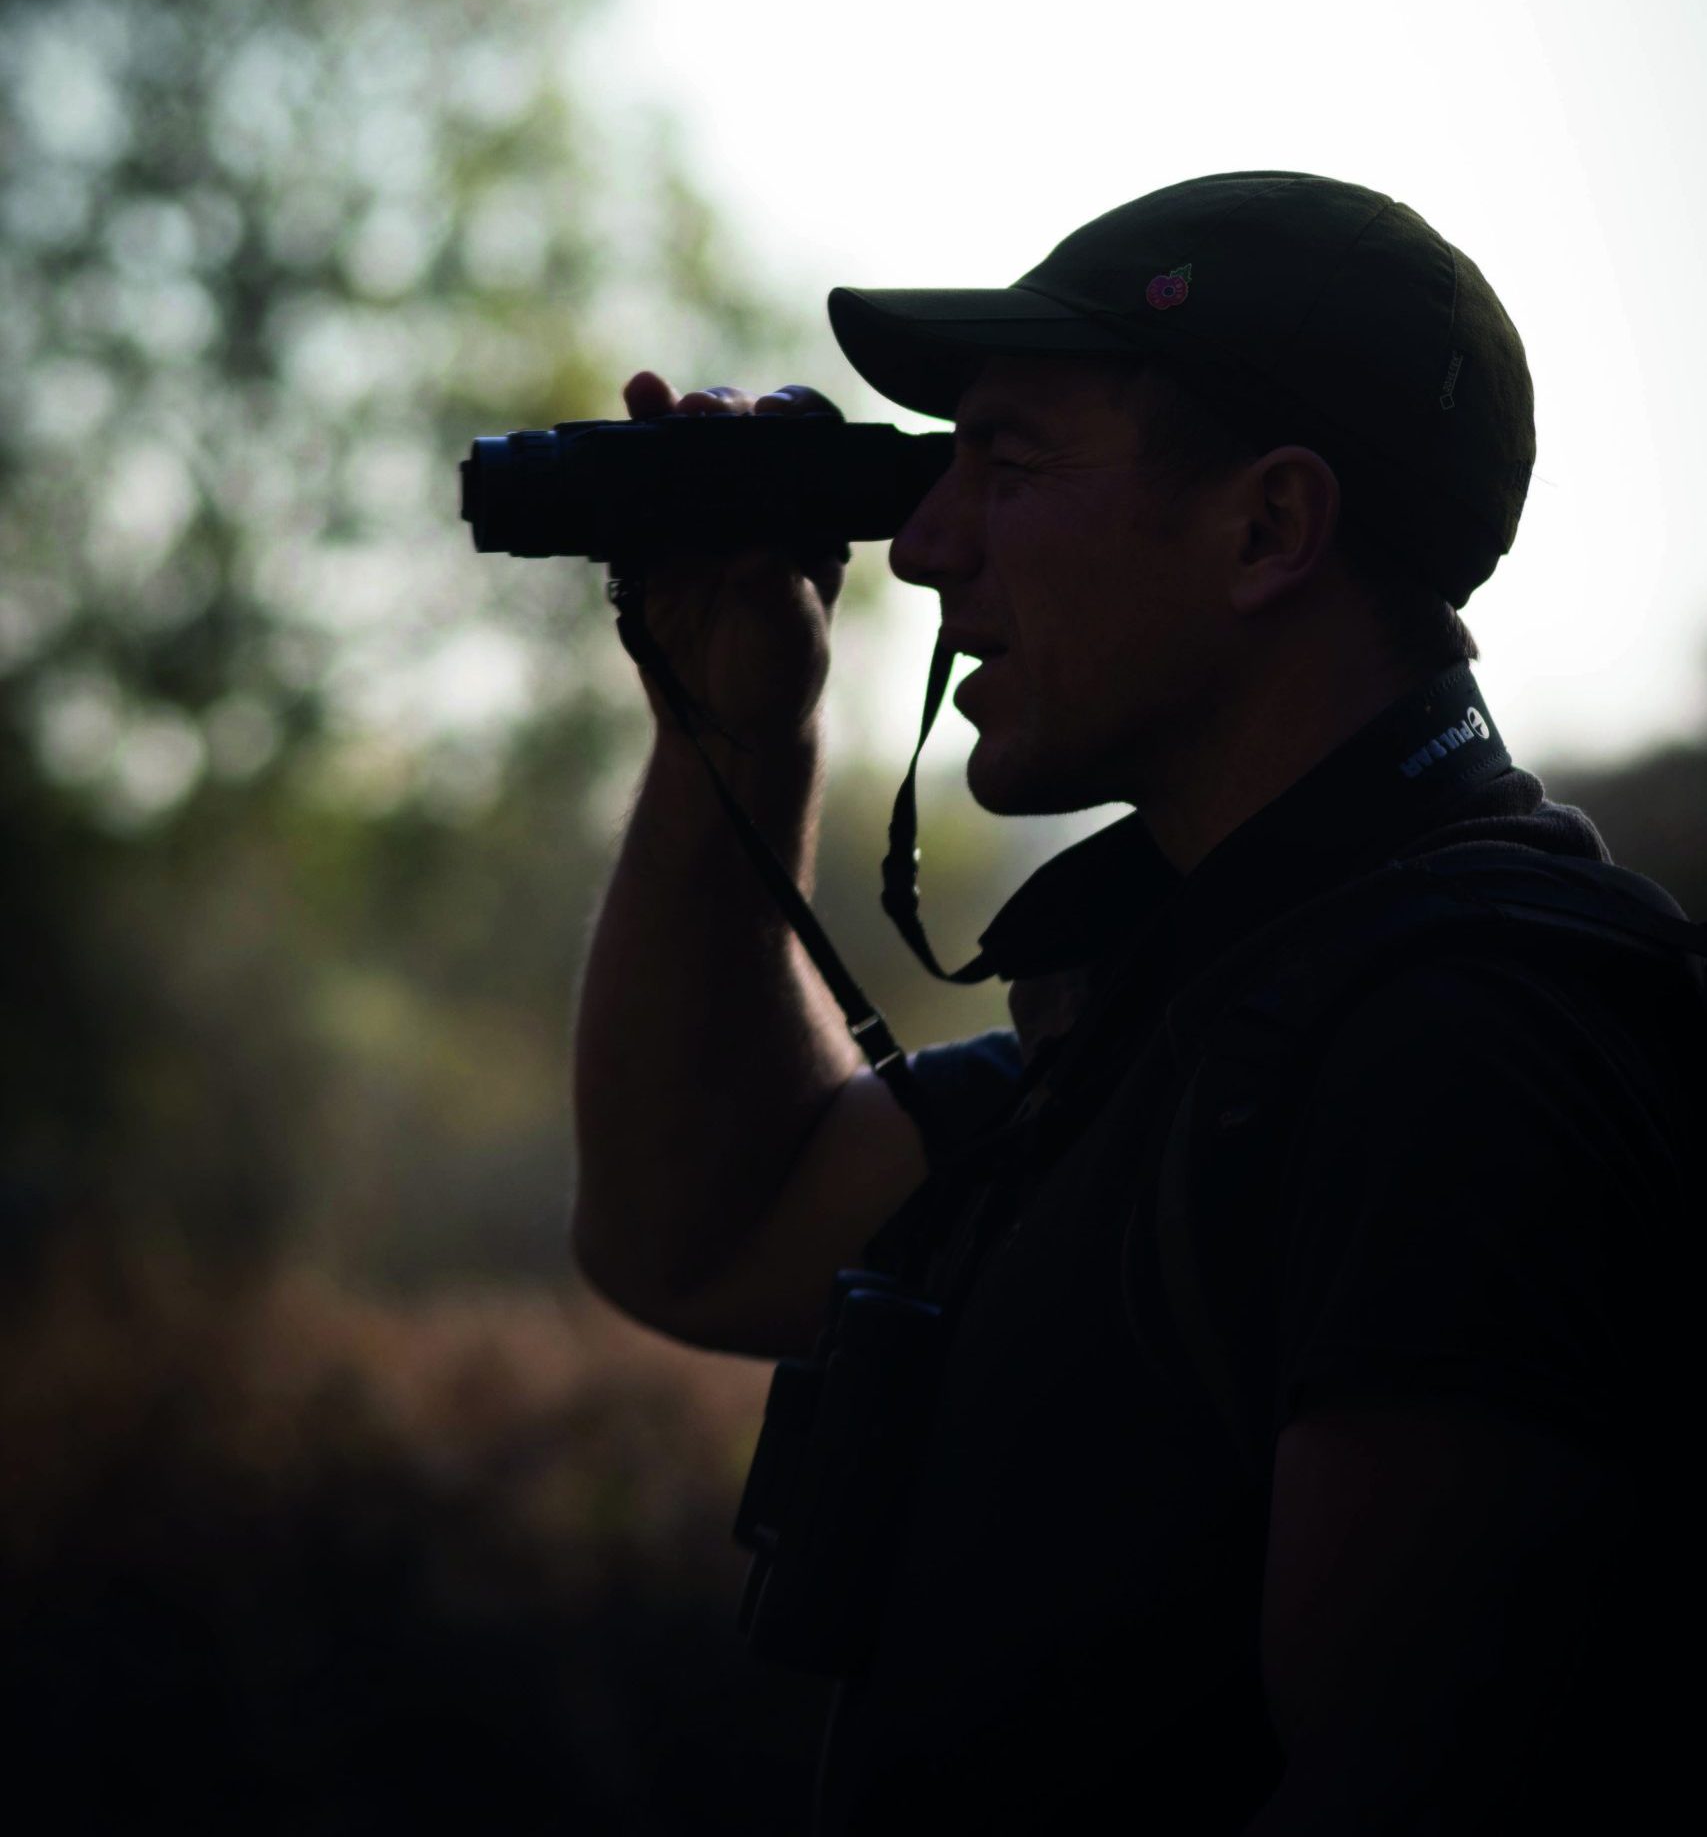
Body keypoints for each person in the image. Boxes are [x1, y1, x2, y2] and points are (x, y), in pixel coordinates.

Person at [569, 171, 1701, 1833]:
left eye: (1010, 466)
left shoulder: (1460, 1048)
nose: (925, 543)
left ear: (1269, 529)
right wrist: (734, 730)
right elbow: (697, 1232)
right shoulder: (1191, 1009)